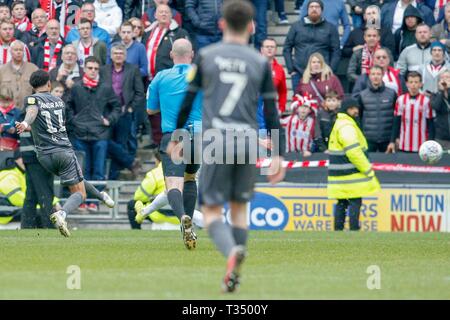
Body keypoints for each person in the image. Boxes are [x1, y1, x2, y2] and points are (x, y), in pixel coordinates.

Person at [175, 0, 286, 292]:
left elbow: (188, 100)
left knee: (212, 211)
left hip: (216, 140)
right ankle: (234, 271)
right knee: (239, 210)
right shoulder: (261, 63)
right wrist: (278, 154)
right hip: (248, 142)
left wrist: (177, 137)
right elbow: (273, 113)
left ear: (221, 24)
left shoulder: (207, 56)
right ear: (252, 27)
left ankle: (231, 253)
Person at [15, 69, 116, 237]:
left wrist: (26, 124)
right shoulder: (59, 101)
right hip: (63, 151)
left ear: (32, 86)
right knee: (79, 193)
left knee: (78, 180)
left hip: (44, 157)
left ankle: (101, 196)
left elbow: (33, 112)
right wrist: (26, 122)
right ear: (48, 83)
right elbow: (34, 113)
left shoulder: (31, 98)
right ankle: (62, 213)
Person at [145, 38, 201, 250]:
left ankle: (183, 218)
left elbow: (150, 110)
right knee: (190, 177)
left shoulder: (161, 77)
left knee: (173, 185)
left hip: (175, 136)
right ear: (192, 54)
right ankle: (191, 228)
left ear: (171, 55)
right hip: (199, 137)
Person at [66, 56, 122, 203]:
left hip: (100, 134)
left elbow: (117, 107)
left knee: (98, 171)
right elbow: (68, 106)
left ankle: (95, 202)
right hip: (80, 134)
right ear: (84, 68)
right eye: (90, 68)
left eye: (96, 68)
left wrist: (109, 120)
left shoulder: (105, 87)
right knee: (82, 171)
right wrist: (74, 121)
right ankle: (83, 201)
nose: (93, 71)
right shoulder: (76, 87)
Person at [327, 98, 381, 231]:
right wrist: (367, 169)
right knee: (355, 201)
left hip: (340, 173)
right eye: (352, 108)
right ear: (346, 109)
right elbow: (353, 151)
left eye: (356, 108)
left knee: (341, 203)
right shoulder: (346, 125)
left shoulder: (342, 123)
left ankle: (338, 231)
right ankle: (354, 230)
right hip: (350, 173)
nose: (355, 111)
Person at [100, 43, 144, 180]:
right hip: (107, 112)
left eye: (121, 53)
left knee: (120, 144)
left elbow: (139, 92)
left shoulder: (133, 69)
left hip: (125, 113)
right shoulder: (103, 70)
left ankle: (112, 179)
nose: (118, 55)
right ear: (111, 55)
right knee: (104, 141)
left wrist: (131, 108)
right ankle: (130, 162)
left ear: (125, 55)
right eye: (115, 53)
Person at [283, 0, 341, 91]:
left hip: (323, 74)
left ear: (322, 10)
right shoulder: (296, 26)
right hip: (299, 73)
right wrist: (291, 69)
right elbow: (287, 48)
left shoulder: (330, 28)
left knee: (322, 103)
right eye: (311, 7)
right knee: (299, 102)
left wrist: (331, 70)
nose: (314, 9)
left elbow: (336, 51)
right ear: (307, 10)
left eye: (317, 7)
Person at [387, 71, 436, 153]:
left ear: (421, 84)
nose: (413, 85)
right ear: (407, 84)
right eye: (411, 82)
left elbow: (430, 125)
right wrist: (392, 141)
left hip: (421, 146)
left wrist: (430, 144)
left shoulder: (426, 101)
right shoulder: (400, 100)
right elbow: (396, 123)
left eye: (416, 82)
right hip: (403, 145)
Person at [358, 65, 397, 152]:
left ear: (383, 75)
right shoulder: (362, 95)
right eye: (373, 74)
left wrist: (393, 139)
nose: (375, 76)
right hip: (368, 139)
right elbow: (359, 118)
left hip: (387, 139)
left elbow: (396, 118)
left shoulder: (392, 93)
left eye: (378, 74)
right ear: (369, 76)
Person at [0, 40, 38, 110]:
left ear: (24, 52)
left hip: (28, 111)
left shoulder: (33, 69)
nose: (18, 52)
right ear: (10, 51)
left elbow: (39, 91)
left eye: (21, 50)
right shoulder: (2, 70)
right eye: (16, 50)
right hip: (8, 113)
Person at [260, 38, 287, 113]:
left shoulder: (280, 69)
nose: (269, 49)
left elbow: (283, 91)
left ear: (275, 50)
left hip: (271, 107)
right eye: (267, 46)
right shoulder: (254, 65)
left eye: (272, 47)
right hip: (255, 107)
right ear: (261, 49)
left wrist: (281, 108)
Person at [431, 70, 450, 149]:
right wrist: (441, 91)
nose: (444, 80)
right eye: (442, 77)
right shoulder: (435, 95)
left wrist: (449, 90)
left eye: (447, 77)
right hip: (442, 137)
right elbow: (436, 106)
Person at [0, 86, 20, 151]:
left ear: (12, 100)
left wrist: (15, 130)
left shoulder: (18, 112)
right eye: (3, 101)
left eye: (8, 101)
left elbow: (24, 131)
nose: (5, 104)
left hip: (15, 147)